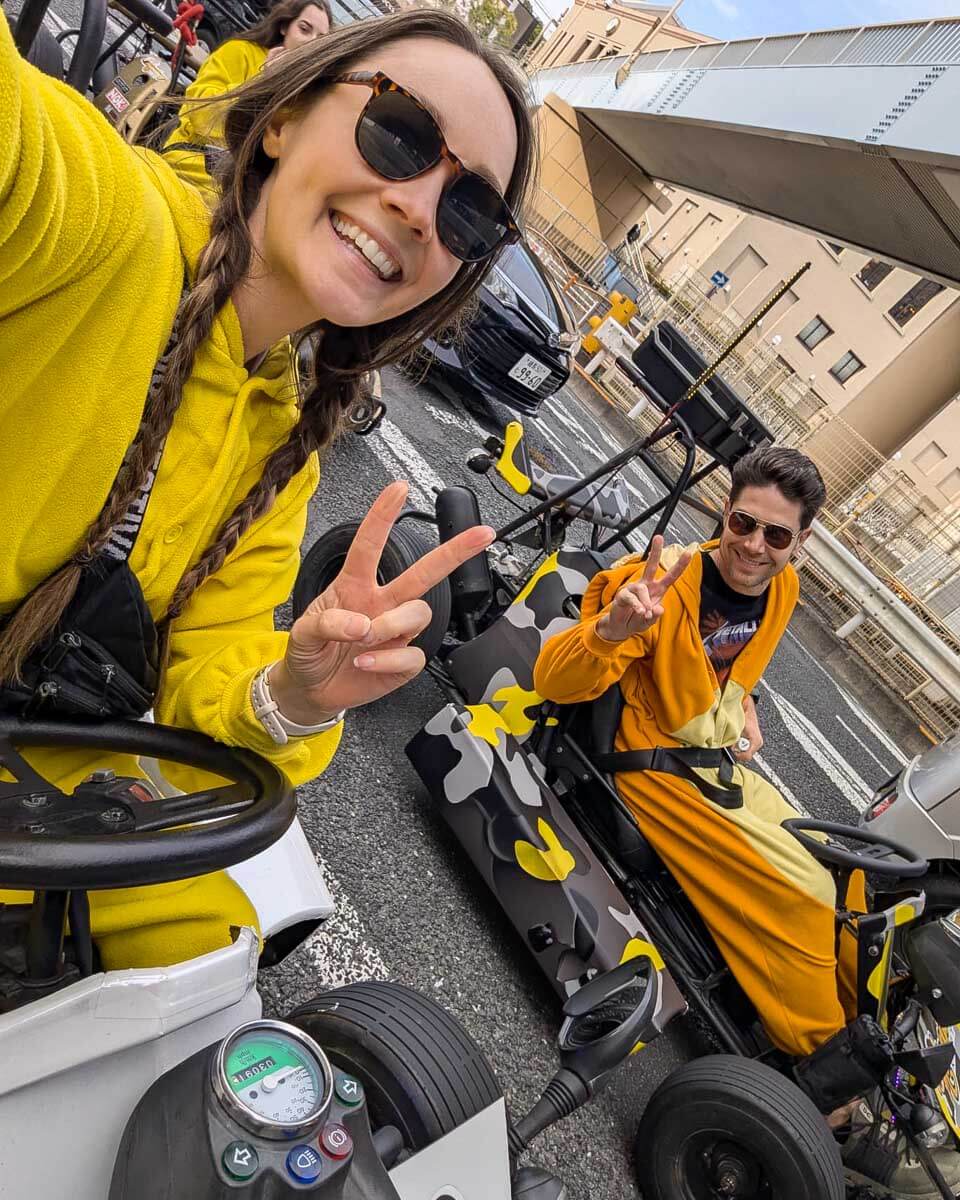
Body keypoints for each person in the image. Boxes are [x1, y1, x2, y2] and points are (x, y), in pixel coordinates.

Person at [1, 7, 533, 970]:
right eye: (402, 131)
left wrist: (294, 689)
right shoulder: (107, 224)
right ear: (283, 115)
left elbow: (204, 685)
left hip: (33, 805)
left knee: (213, 952)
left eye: (469, 212)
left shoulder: (284, 443)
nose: (418, 208)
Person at [533, 446, 960, 1197]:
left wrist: (744, 703)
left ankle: (870, 1045)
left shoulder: (782, 589)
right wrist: (609, 631)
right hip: (651, 765)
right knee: (798, 896)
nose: (754, 547)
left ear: (801, 543)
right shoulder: (656, 585)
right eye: (743, 523)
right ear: (723, 513)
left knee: (850, 876)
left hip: (713, 760)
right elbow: (554, 677)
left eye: (777, 536)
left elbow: (734, 669)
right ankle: (835, 1102)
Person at [163, 0, 334, 198]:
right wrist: (263, 83)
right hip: (196, 162)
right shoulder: (241, 51)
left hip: (249, 190)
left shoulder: (309, 95)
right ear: (284, 26)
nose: (310, 43)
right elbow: (201, 114)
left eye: (320, 39)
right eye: (304, 29)